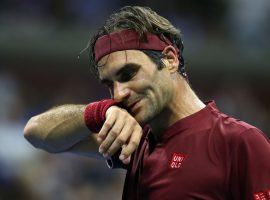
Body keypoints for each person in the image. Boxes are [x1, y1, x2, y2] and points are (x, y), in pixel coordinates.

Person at [24, 6, 270, 200]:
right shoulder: (133, 138)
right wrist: (100, 111)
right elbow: (36, 132)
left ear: (170, 60)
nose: (118, 93)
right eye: (109, 85)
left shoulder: (240, 141)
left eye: (128, 74)